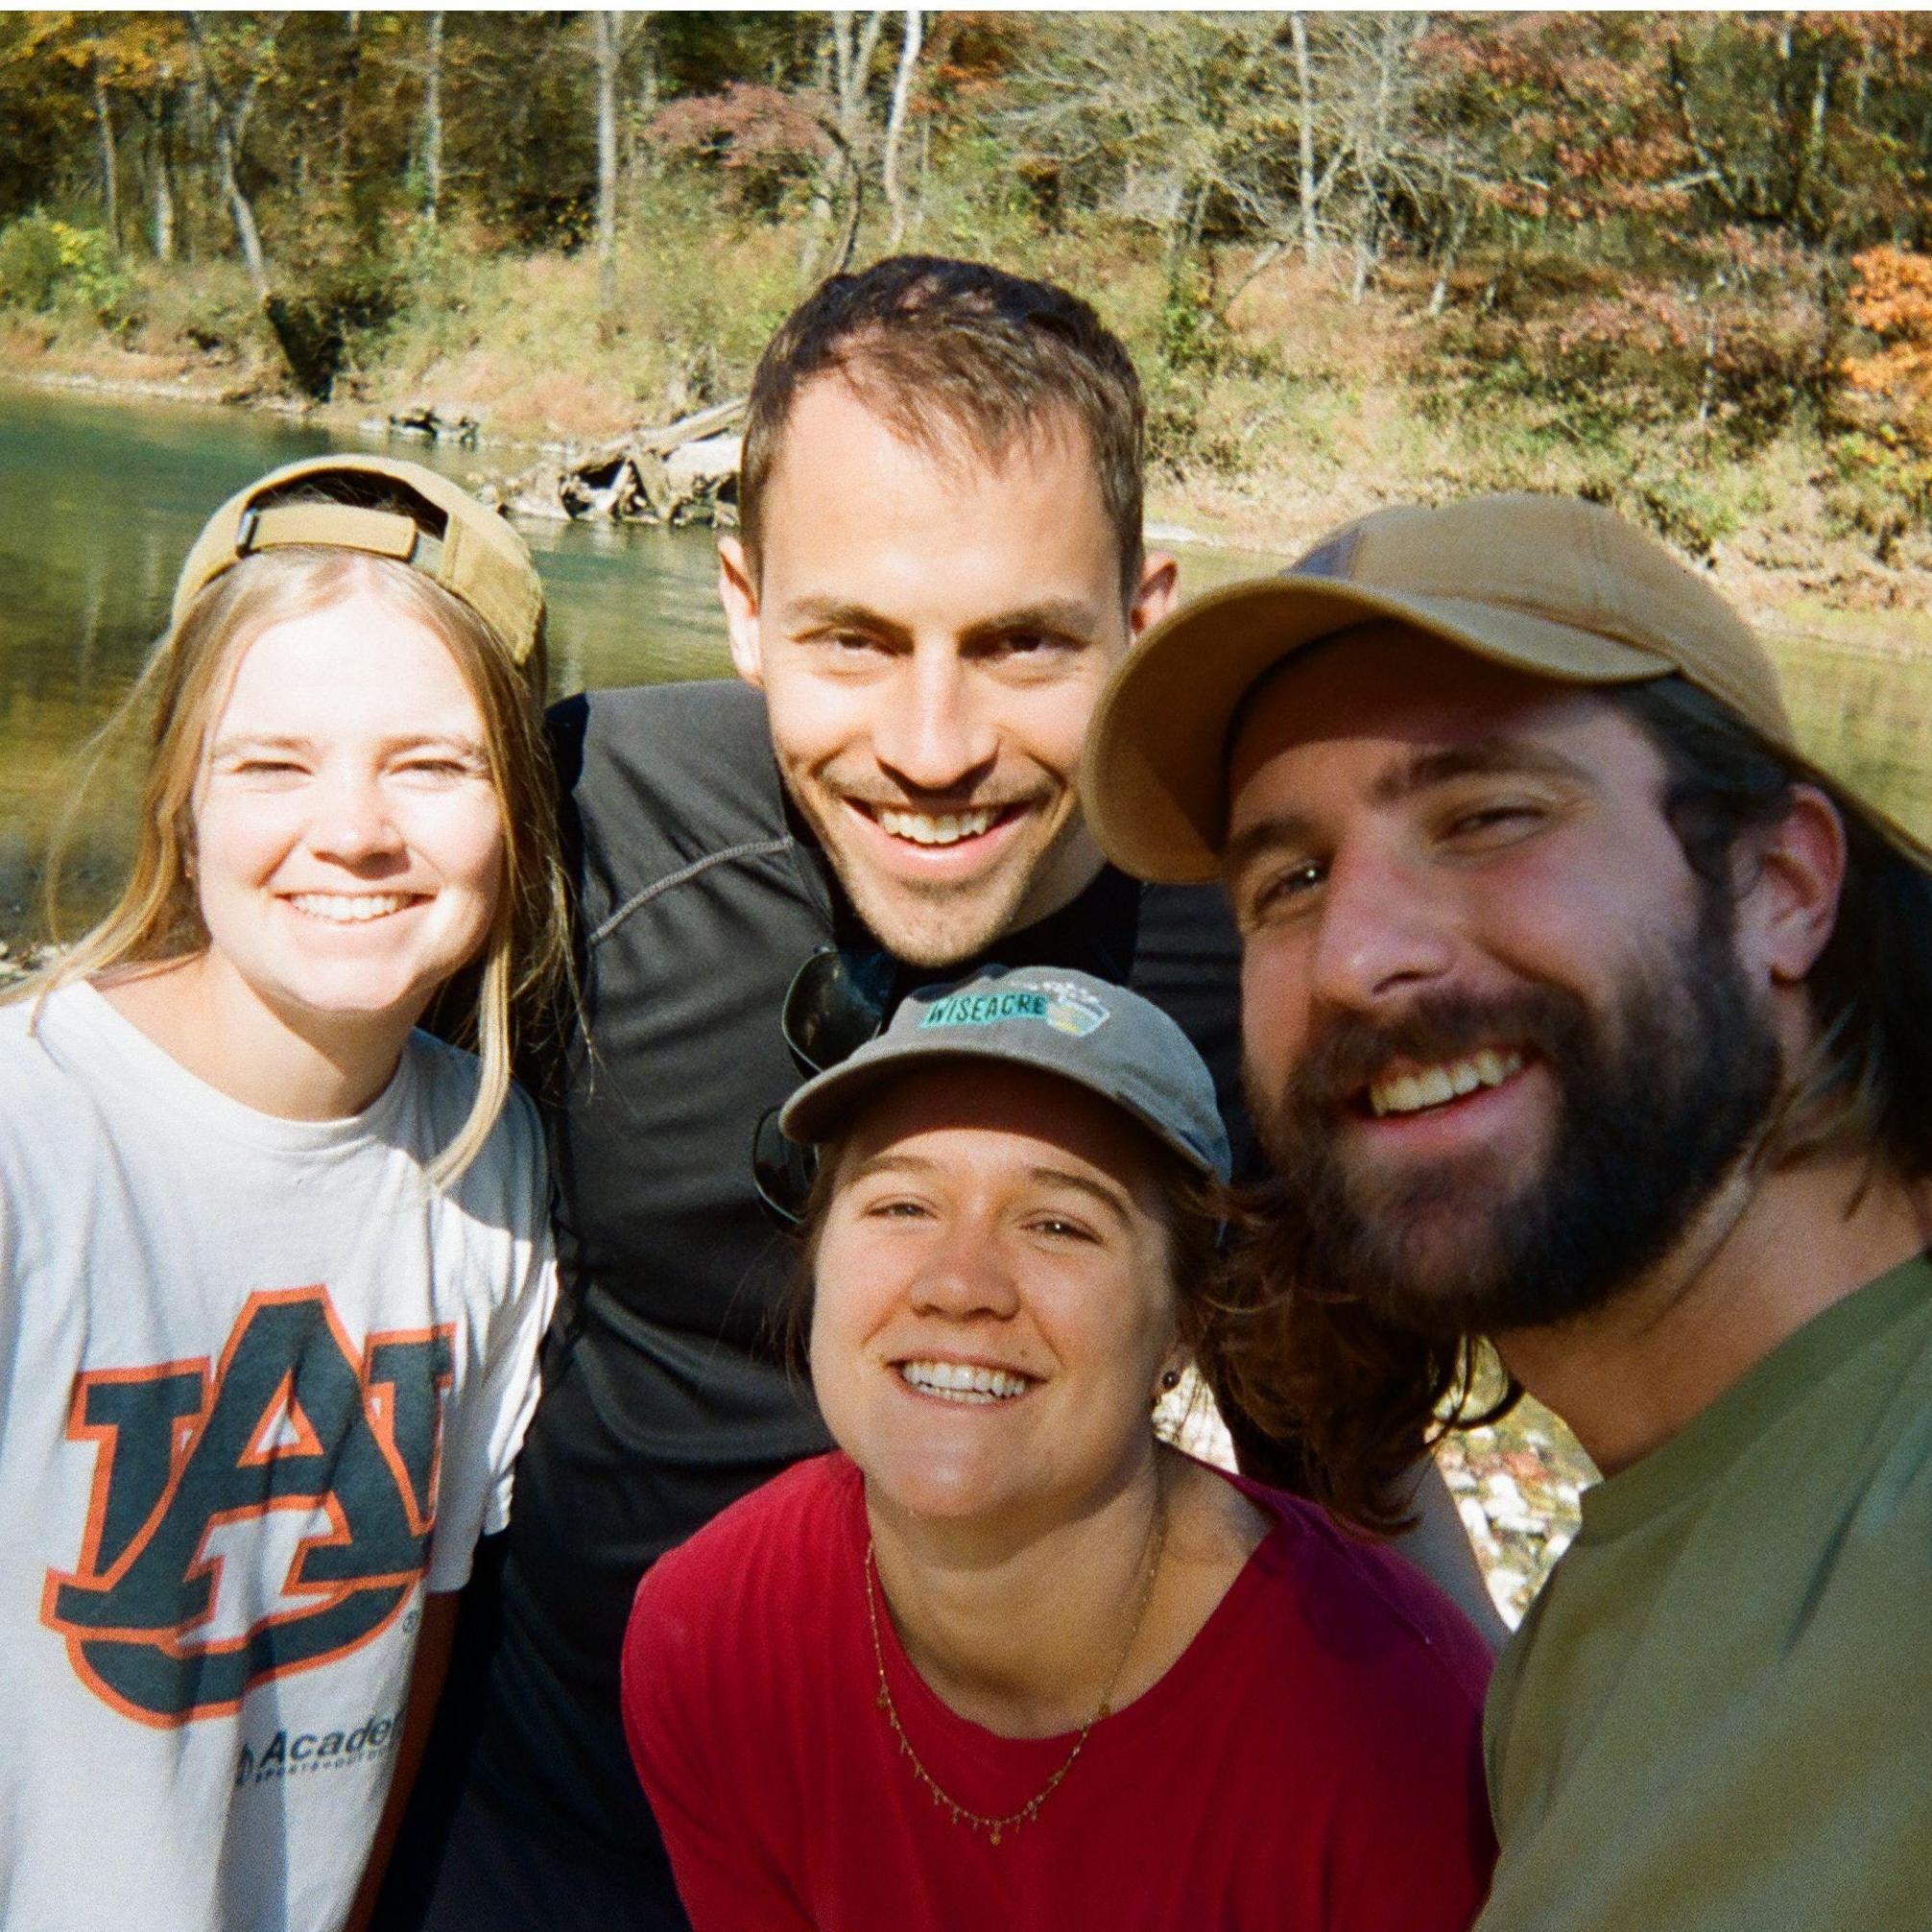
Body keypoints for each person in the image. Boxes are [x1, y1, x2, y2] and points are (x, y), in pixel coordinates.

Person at [381, 255, 1496, 1932]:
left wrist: (1536, 1812)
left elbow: (1352, 1481)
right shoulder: (582, 826)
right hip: (546, 1831)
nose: (929, 743)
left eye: (1020, 644)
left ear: (1144, 619)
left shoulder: (1263, 962)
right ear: (744, 604)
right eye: (852, 638)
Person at [1079, 489, 1932, 1931]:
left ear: (1778, 886)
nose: (1356, 955)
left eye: (1486, 816)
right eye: (1287, 878)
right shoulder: (1587, 1640)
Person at [622, 963, 1496, 1931]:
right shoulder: (709, 1635)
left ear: (1180, 1327)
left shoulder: (1403, 1740)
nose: (960, 1284)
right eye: (903, 1205)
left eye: (1059, 1223)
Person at [0, 453, 568, 1932]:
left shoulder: (490, 1163)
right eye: (273, 763)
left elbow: (420, 1615)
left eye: (434, 764)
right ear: (180, 799)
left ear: (519, 814)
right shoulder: (28, 1136)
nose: (358, 829)